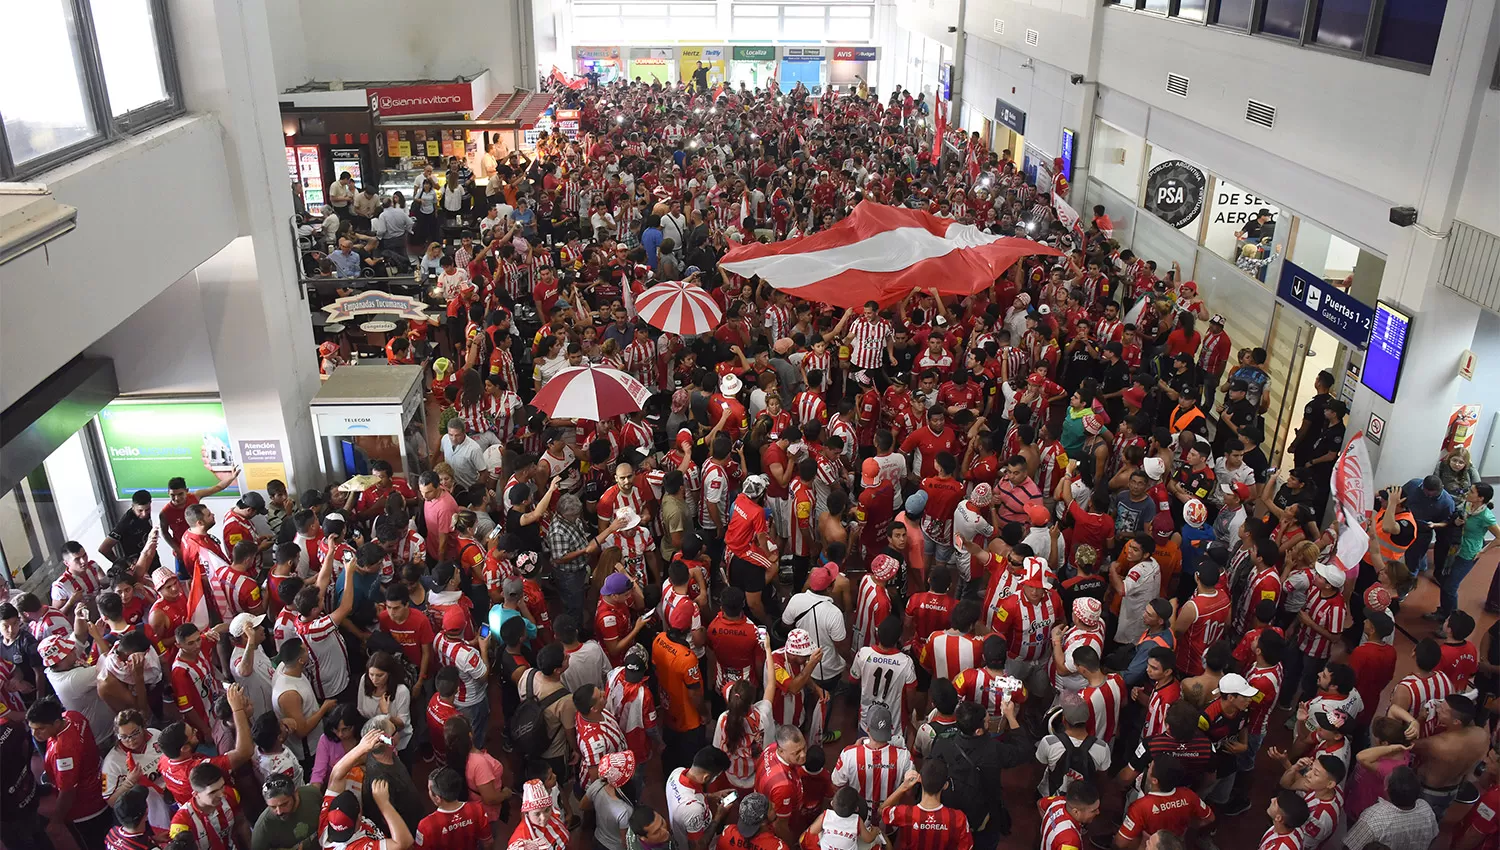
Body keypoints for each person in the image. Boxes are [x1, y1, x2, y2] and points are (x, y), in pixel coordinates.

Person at [28, 696, 114, 848]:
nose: (35, 734)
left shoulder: (64, 752)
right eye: (32, 729)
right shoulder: (73, 716)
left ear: (55, 723)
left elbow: (67, 791)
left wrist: (56, 820)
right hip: (98, 784)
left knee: (95, 843)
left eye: (40, 729)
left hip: (86, 808)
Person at [878, 760, 972, 850]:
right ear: (945, 785)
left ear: (919, 779)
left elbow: (881, 810)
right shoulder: (958, 818)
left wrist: (904, 786)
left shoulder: (904, 813)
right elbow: (966, 847)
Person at [583, 752, 639, 850]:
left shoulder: (597, 785)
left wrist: (599, 806)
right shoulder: (625, 810)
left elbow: (582, 806)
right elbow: (625, 840)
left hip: (597, 838)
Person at [251, 775, 322, 850]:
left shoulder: (312, 794)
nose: (279, 812)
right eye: (273, 807)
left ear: (295, 794)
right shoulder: (263, 826)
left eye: (284, 804)